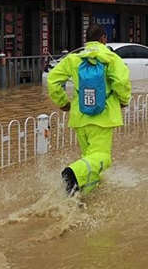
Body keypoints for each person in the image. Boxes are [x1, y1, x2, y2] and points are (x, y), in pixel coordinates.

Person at [47, 24, 132, 195]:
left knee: (90, 159)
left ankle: (82, 194)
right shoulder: (111, 58)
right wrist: (124, 100)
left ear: (86, 40)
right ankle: (73, 173)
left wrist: (63, 102)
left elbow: (52, 80)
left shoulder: (73, 59)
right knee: (102, 158)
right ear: (103, 39)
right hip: (104, 117)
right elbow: (121, 83)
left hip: (80, 117)